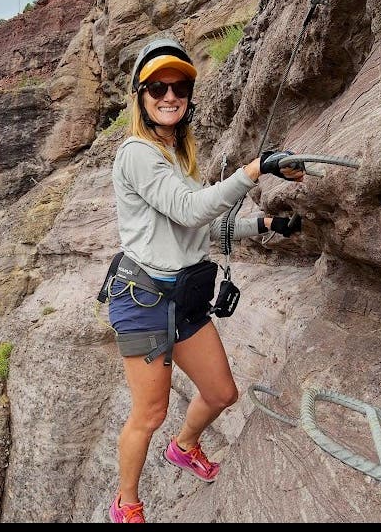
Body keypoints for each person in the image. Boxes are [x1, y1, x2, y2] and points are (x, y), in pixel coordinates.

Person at [104, 37, 305, 523]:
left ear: (190, 94)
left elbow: (196, 222)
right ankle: (126, 505)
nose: (169, 95)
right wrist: (254, 171)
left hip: (184, 298)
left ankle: (184, 446)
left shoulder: (176, 156)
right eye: (157, 87)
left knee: (220, 393)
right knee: (149, 414)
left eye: (180, 86)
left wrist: (263, 226)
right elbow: (192, 207)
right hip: (144, 300)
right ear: (140, 95)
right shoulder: (137, 153)